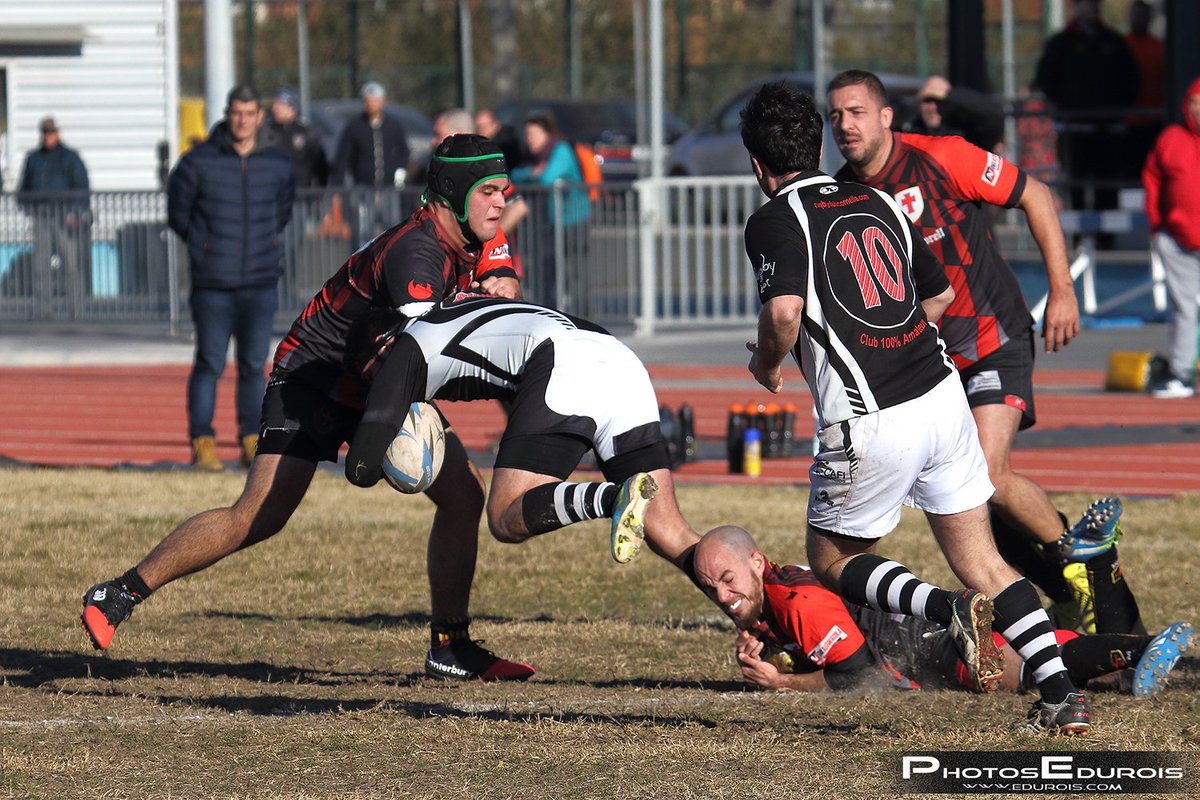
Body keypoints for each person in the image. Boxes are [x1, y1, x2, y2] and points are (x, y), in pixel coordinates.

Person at [81, 135, 532, 684]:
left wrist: (503, 285)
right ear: (455, 194)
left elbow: (500, 274)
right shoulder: (417, 253)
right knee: (258, 516)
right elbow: (430, 341)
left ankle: (450, 647)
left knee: (463, 496)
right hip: (313, 379)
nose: (501, 202)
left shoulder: (474, 230)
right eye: (489, 191)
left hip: (378, 377)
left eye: (503, 191)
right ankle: (119, 593)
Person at [739, 81, 1089, 733]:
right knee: (986, 563)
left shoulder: (774, 219)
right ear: (818, 146)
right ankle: (1062, 696)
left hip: (871, 415)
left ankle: (943, 608)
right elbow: (940, 295)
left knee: (832, 560)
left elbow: (784, 311)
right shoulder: (877, 199)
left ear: (758, 165)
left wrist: (768, 363)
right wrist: (898, 340)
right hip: (941, 397)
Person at [827, 70, 1089, 634]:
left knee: (989, 474)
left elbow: (1036, 194)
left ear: (886, 116)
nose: (845, 125)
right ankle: (1045, 592)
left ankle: (1081, 567)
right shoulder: (845, 195)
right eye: (836, 116)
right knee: (961, 498)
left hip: (994, 337)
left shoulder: (942, 156)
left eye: (856, 112)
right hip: (932, 362)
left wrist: (1062, 290)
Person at [342, 295, 700, 575]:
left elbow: (360, 468)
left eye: (373, 378)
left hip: (565, 360)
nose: (380, 388)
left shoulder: (406, 348)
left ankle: (609, 498)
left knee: (504, 515)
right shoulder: (448, 313)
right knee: (669, 532)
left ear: (383, 349)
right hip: (619, 356)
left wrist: (389, 455)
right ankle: (739, 590)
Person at [693, 525, 1192, 699]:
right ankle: (1116, 603)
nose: (721, 595)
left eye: (728, 579)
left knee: (1030, 670)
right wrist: (766, 638)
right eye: (710, 587)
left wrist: (782, 682)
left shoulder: (797, 602)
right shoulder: (780, 586)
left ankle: (1141, 648)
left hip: (924, 641)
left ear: (756, 562)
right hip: (923, 629)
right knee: (1050, 655)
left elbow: (856, 673)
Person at [166, 85, 296, 472]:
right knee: (209, 363)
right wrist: (204, 245)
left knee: (254, 365)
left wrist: (265, 241)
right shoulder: (198, 161)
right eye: (236, 113)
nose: (242, 120)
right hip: (213, 283)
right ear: (227, 115)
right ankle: (202, 442)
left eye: (249, 113)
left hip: (260, 280)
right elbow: (178, 212)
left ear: (260, 116)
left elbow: (282, 211)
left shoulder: (277, 164)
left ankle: (250, 440)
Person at [1034, 0, 1139, 216]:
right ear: (1077, 6)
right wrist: (1066, 104)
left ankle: (1106, 235)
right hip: (1074, 129)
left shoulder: (1113, 41)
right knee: (1076, 188)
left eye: (1095, 3)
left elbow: (1132, 80)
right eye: (1087, 3)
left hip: (1108, 130)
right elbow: (1045, 79)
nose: (1092, 7)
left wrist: (1117, 110)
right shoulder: (1061, 43)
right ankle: (1079, 233)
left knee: (1107, 189)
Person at [1141, 76, 1200, 399]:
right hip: (1179, 240)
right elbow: (1151, 179)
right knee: (1184, 310)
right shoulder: (1171, 138)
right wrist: (1157, 226)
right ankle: (1181, 373)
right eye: (1195, 103)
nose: (1199, 109)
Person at [509, 112, 590, 307]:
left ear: (547, 134)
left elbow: (547, 179)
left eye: (533, 134)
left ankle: (583, 310)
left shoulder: (561, 151)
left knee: (575, 272)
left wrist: (534, 174)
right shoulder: (537, 158)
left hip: (573, 220)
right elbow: (514, 175)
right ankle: (551, 307)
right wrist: (532, 172)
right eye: (527, 134)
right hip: (552, 222)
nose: (529, 139)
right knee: (548, 268)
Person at [17, 116, 91, 316]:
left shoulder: (69, 157)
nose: (47, 136)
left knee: (70, 263)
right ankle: (43, 309)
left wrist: (76, 212)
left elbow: (81, 186)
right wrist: (27, 207)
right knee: (41, 265)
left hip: (63, 215)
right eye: (44, 132)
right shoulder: (34, 158)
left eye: (50, 132)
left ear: (57, 133)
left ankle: (76, 307)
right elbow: (24, 188)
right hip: (41, 215)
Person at [331, 81, 411, 242]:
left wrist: (400, 170)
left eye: (375, 101)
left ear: (382, 102)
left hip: (388, 188)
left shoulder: (393, 125)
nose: (371, 105)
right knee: (362, 232)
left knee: (392, 231)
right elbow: (343, 157)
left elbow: (404, 151)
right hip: (363, 188)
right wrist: (338, 185)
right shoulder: (354, 126)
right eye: (368, 101)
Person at [904, 75, 1006, 153]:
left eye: (940, 101)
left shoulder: (967, 132)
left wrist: (948, 95)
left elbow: (994, 115)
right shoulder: (911, 132)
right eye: (928, 101)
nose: (933, 108)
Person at [1124, 0, 1166, 169]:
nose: (1139, 19)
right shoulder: (1123, 45)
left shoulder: (1159, 48)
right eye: (1136, 15)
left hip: (1154, 119)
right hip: (1128, 121)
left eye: (1143, 15)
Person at [265, 86, 329, 188]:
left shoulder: (306, 134)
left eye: (279, 104)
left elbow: (320, 167)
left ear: (291, 108)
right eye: (275, 104)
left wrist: (319, 191)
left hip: (300, 192)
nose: (275, 108)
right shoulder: (267, 132)